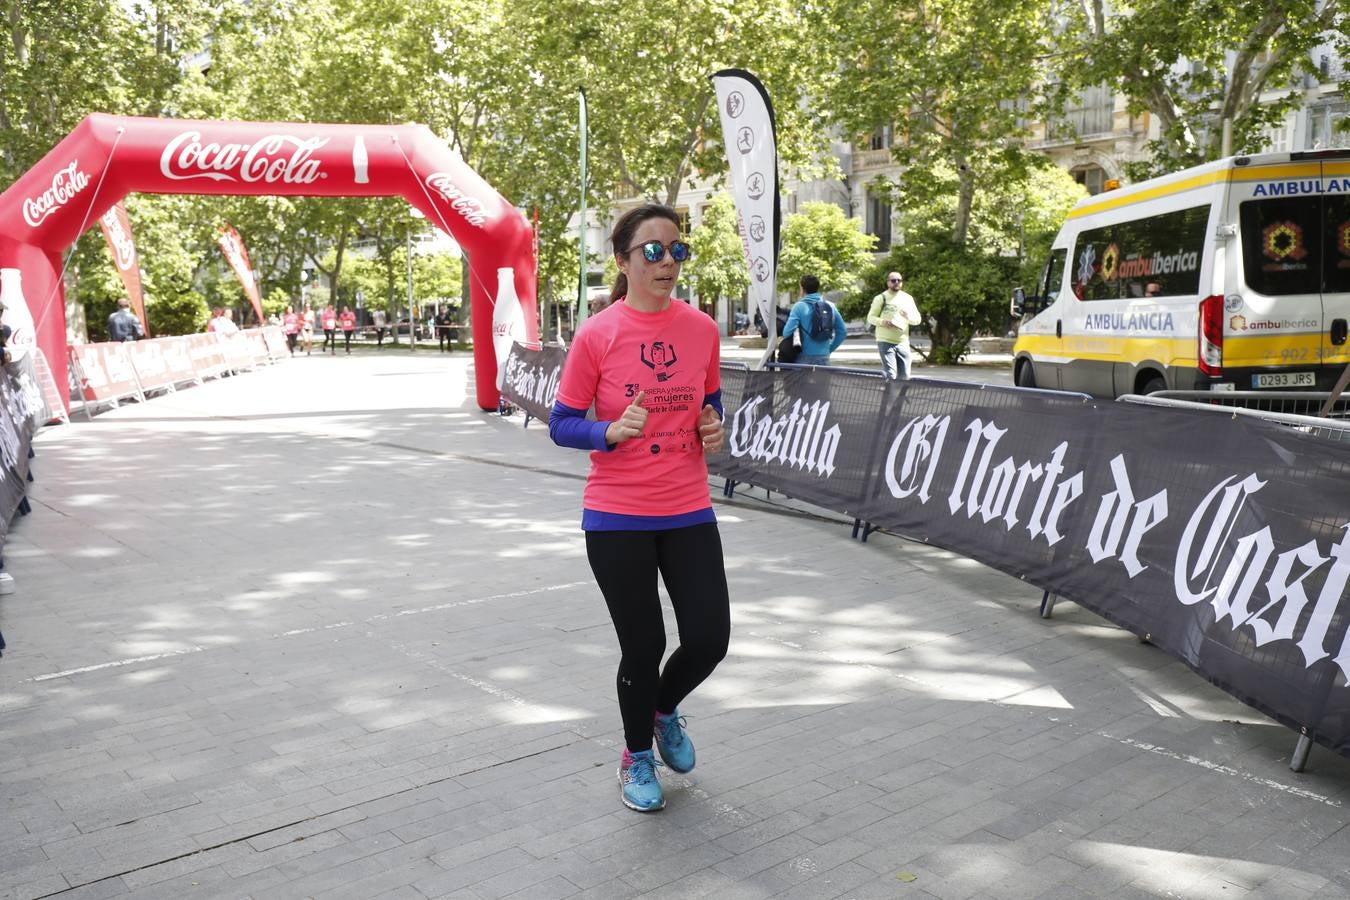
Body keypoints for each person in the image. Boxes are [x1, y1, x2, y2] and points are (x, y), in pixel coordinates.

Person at [548, 203, 729, 813]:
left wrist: (714, 426)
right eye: (653, 251)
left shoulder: (702, 328)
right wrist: (608, 432)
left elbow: (711, 401)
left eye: (677, 249)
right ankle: (635, 757)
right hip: (618, 514)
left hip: (687, 506)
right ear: (623, 260)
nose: (668, 262)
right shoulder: (598, 333)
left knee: (709, 638)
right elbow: (563, 423)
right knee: (644, 644)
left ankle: (662, 709)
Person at [781, 274, 846, 366]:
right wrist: (829, 349)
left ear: (802, 289)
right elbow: (842, 331)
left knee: (801, 381)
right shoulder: (830, 306)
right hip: (824, 357)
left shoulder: (799, 307)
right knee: (822, 381)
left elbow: (786, 333)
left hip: (803, 358)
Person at [867, 271, 922, 380]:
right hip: (885, 341)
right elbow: (870, 318)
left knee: (905, 376)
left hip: (903, 342)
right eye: (893, 280)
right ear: (888, 283)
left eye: (899, 280)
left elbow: (917, 320)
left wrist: (907, 317)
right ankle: (889, 396)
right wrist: (883, 322)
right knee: (891, 375)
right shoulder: (880, 298)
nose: (896, 282)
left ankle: (900, 397)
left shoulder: (908, 298)